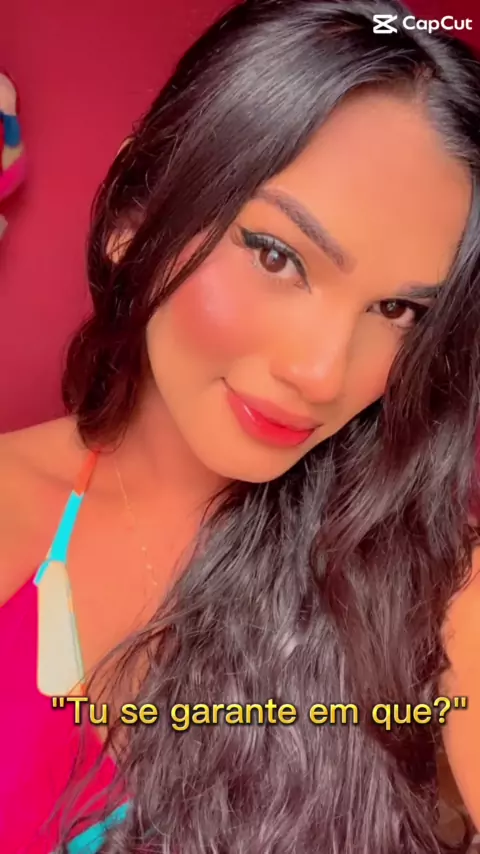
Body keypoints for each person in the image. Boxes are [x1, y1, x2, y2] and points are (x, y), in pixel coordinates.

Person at [1, 0, 480, 851]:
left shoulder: (425, 570)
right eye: (277, 256)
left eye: (398, 310)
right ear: (136, 217)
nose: (322, 372)